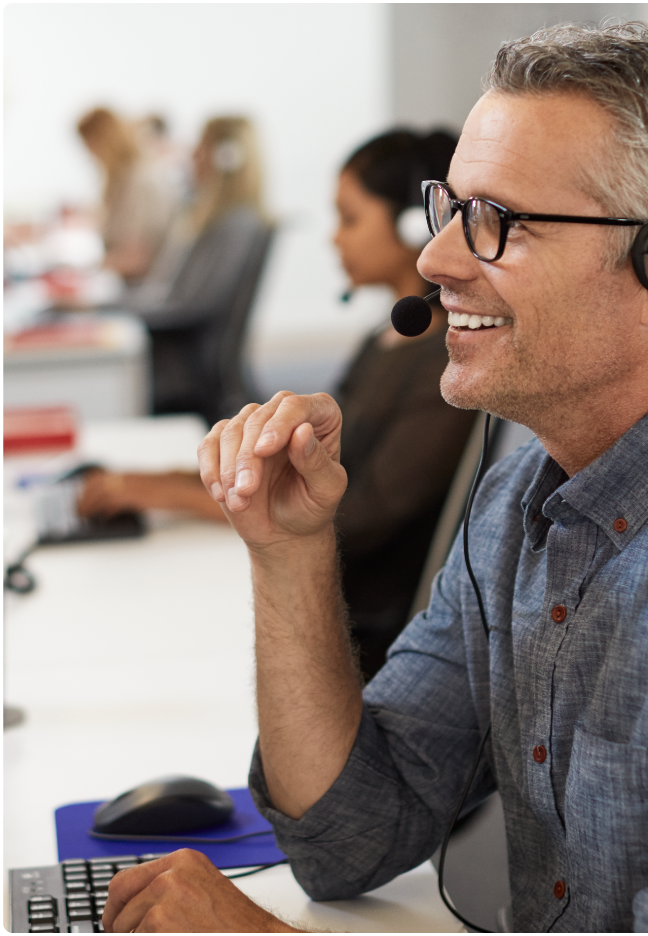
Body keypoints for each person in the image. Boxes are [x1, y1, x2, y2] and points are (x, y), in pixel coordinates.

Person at [103, 24, 648, 934]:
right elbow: (346, 839)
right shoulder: (525, 489)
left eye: (499, 222)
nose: (438, 259)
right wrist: (288, 551)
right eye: (449, 207)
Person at [79, 130, 474, 679]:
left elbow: (355, 517)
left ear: (415, 224)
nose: (335, 240)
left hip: (360, 620)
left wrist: (159, 493)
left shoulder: (443, 366)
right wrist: (158, 481)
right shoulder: (386, 338)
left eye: (350, 219)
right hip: (325, 583)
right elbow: (303, 465)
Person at [124, 116, 270, 421]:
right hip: (183, 354)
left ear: (225, 158)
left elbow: (186, 306)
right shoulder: (214, 219)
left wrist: (112, 309)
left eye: (200, 147)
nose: (192, 157)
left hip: (184, 366)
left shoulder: (233, 224)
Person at [77, 107, 178, 283]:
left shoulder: (141, 181)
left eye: (91, 145)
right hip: (128, 288)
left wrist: (83, 270)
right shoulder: (124, 181)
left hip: (143, 292)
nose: (90, 155)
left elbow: (136, 261)